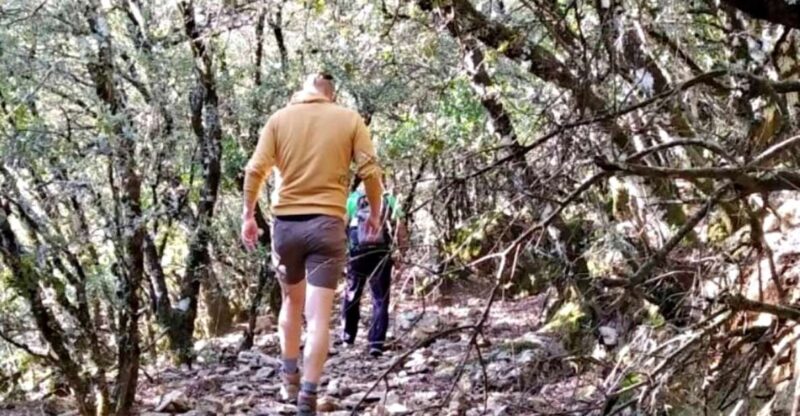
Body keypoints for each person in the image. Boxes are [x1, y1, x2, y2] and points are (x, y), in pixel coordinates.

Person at [241, 72, 383, 415]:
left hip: (286, 226)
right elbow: (371, 172)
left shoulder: (279, 120)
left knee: (291, 303)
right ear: (330, 96)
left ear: (302, 91)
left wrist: (248, 215)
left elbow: (254, 170)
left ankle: (288, 376)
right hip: (327, 225)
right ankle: (308, 395)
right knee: (318, 316)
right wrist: (375, 213)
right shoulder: (348, 120)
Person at [339, 178, 407, 357]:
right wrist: (402, 253)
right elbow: (400, 228)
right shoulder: (388, 200)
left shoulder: (353, 199)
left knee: (352, 293)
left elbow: (341, 226)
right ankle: (376, 343)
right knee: (380, 298)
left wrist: (341, 255)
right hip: (381, 253)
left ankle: (348, 337)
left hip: (357, 253)